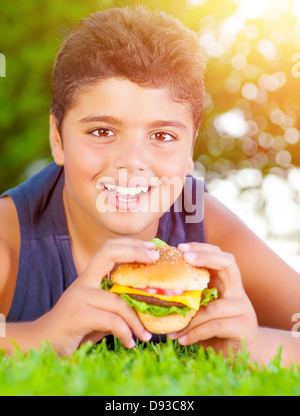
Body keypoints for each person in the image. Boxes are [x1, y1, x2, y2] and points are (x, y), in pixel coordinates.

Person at [0, 5, 299, 366]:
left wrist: (256, 344)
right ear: (58, 139)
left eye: (162, 135)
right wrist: (39, 335)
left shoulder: (202, 225)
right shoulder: (12, 239)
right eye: (102, 131)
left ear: (190, 150)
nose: (132, 161)